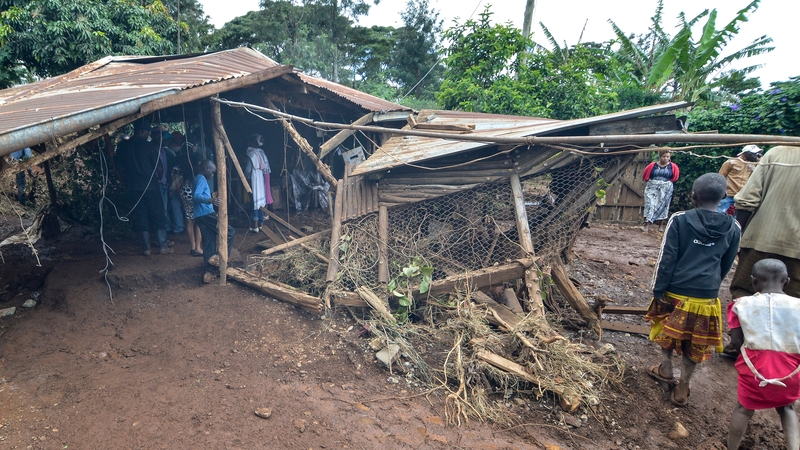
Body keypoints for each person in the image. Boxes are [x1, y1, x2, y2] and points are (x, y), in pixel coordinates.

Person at [644, 173, 740, 407]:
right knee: (696, 341)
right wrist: (712, 284)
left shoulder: (679, 220)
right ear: (724, 196)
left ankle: (666, 369)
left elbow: (667, 257)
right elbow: (726, 263)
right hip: (706, 295)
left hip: (675, 290)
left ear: (693, 195)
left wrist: (658, 289)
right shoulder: (733, 226)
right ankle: (683, 385)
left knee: (665, 329)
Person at [726, 259, 800, 450]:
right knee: (787, 408)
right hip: (790, 370)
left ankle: (732, 447)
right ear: (787, 281)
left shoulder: (741, 305)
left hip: (755, 369)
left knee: (743, 409)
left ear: (754, 282)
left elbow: (735, 342)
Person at [731, 145, 800, 299]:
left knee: (745, 298)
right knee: (795, 308)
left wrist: (736, 239)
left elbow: (748, 199)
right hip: (796, 251)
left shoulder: (777, 153)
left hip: (760, 240)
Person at [115, 121, 173, 256]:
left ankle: (146, 248)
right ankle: (163, 246)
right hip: (151, 186)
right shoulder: (150, 147)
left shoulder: (123, 147)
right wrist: (159, 178)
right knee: (158, 214)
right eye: (147, 131)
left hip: (133, 186)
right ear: (142, 131)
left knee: (141, 215)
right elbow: (159, 168)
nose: (149, 134)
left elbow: (119, 167)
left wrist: (125, 180)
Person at [193, 159, 234, 284]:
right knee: (230, 232)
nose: (213, 175)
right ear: (206, 168)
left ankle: (209, 271)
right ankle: (219, 258)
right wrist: (211, 200)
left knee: (209, 242)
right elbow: (196, 195)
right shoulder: (201, 178)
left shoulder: (198, 178)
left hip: (200, 215)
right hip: (206, 214)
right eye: (212, 172)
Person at [717, 144, 761, 216]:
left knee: (738, 217)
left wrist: (754, 168)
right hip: (729, 194)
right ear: (746, 153)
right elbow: (720, 176)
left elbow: (758, 178)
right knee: (718, 213)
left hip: (742, 196)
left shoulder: (755, 164)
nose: (755, 155)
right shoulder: (731, 162)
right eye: (753, 154)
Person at [642, 149, 680, 232]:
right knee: (650, 204)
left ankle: (660, 226)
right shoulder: (652, 166)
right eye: (664, 156)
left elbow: (675, 177)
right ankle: (646, 225)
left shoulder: (672, 167)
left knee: (663, 206)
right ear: (660, 156)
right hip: (652, 187)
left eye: (668, 157)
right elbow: (645, 175)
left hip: (665, 188)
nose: (665, 158)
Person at [243, 133, 273, 233]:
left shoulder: (251, 154)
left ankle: (254, 225)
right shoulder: (261, 152)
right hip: (261, 177)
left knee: (254, 201)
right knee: (261, 201)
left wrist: (245, 178)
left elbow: (248, 170)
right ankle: (261, 224)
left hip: (254, 178)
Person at [177, 159, 203, 257]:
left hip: (184, 191)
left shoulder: (184, 165)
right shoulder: (198, 169)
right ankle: (198, 247)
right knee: (199, 219)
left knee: (189, 219)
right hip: (193, 192)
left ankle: (192, 247)